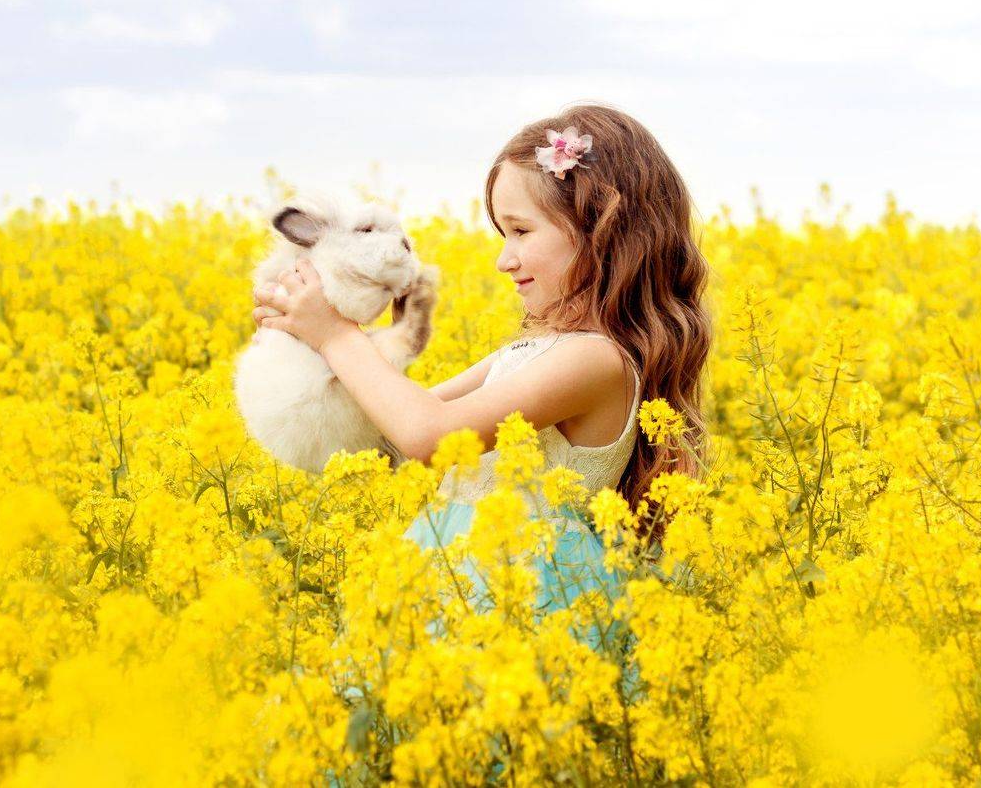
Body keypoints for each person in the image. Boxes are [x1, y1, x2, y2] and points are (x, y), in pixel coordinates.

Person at [250, 102, 713, 659]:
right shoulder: (531, 353)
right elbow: (386, 433)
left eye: (520, 231)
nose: (503, 259)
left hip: (527, 596)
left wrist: (336, 336)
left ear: (603, 232)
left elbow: (431, 434)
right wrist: (305, 347)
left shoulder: (597, 362)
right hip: (465, 579)